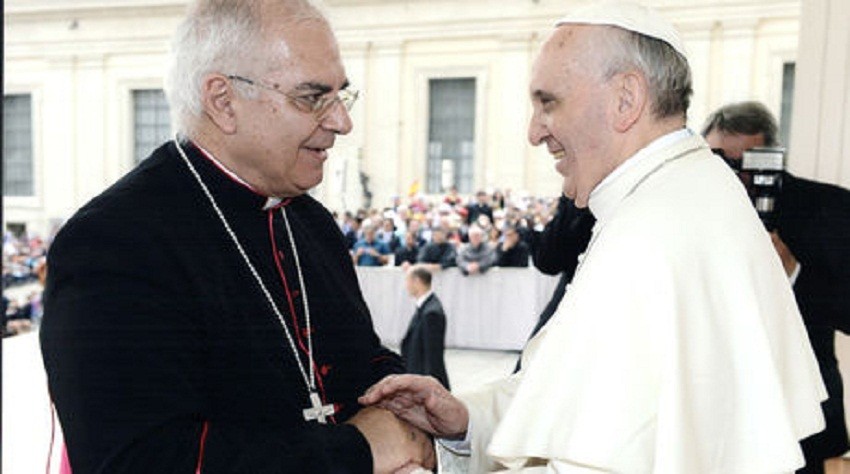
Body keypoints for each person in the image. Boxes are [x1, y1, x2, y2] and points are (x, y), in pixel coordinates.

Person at [360, 2, 826, 472]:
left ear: (626, 98)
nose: (533, 131)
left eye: (549, 102)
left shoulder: (649, 235)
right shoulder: (684, 190)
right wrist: (466, 420)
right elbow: (574, 395)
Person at [40, 1, 434, 472]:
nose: (341, 122)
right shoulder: (113, 244)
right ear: (223, 101)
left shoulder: (309, 221)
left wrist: (400, 395)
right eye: (312, 97)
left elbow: (351, 358)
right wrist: (358, 451)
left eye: (340, 96)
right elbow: (145, 460)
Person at [703, 101, 850, 474]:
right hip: (711, 409)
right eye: (722, 162)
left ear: (773, 158)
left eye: (749, 164)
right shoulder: (692, 211)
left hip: (798, 414)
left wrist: (793, 271)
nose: (738, 177)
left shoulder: (824, 208)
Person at [400, 265, 450, 389]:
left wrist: (430, 389)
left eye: (407, 281)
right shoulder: (425, 307)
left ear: (417, 281)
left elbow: (433, 356)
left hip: (425, 387)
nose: (406, 286)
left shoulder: (431, 313)